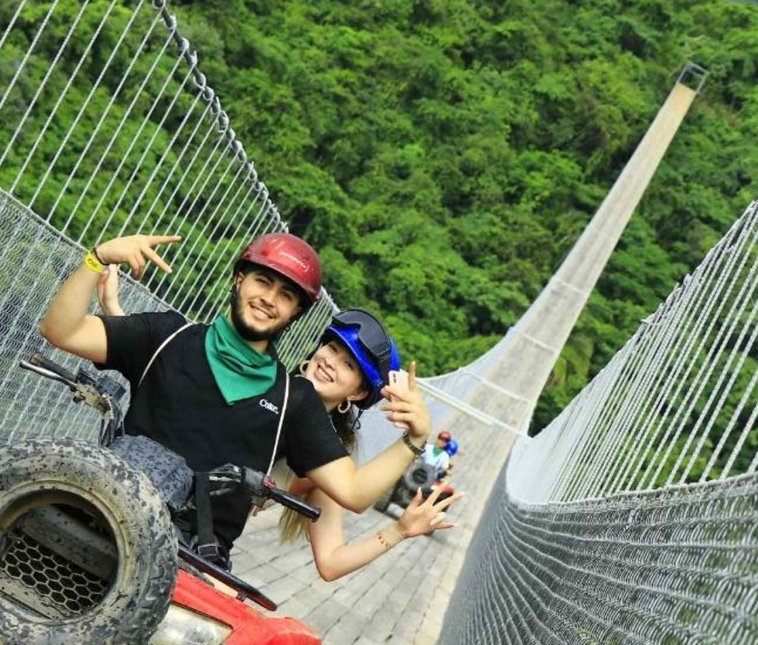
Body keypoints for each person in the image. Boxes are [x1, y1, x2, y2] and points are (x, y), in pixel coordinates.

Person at [39, 232, 433, 569]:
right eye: (262, 281)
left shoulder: (294, 402)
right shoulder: (166, 335)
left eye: (286, 295)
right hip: (97, 511)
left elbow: (353, 491)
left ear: (296, 313)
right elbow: (62, 330)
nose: (269, 299)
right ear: (238, 278)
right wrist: (98, 258)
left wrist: (416, 438)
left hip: (185, 562)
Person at [276, 310, 463, 581]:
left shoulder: (329, 470)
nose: (331, 362)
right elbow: (354, 493)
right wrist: (416, 439)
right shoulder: (271, 383)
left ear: (358, 393)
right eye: (331, 347)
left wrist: (399, 529)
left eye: (349, 365)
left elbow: (331, 563)